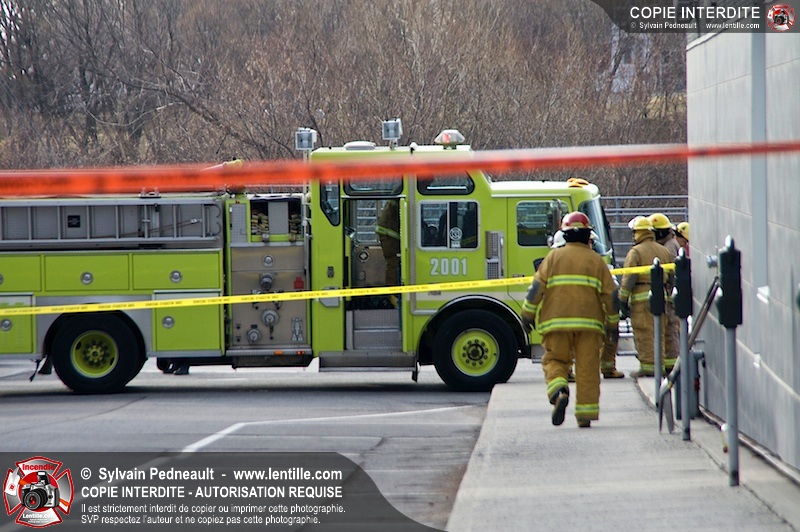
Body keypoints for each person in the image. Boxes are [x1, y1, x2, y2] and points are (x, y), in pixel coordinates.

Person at [520, 212, 619, 428]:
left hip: (556, 323)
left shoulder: (553, 258)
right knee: (587, 369)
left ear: (564, 235)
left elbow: (536, 289)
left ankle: (559, 391)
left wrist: (527, 315)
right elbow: (611, 296)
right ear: (587, 235)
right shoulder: (596, 261)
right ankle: (585, 415)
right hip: (589, 325)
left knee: (555, 360)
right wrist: (612, 324)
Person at [620, 216, 673, 378]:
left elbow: (629, 278)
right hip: (661, 297)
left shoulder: (636, 252)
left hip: (641, 300)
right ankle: (660, 365)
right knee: (659, 332)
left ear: (639, 233)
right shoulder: (664, 250)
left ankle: (649, 367)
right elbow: (672, 276)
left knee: (644, 333)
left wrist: (622, 300)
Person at [649, 213, 680, 372]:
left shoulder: (669, 247)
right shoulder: (669, 244)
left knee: (670, 330)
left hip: (670, 293)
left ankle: (672, 365)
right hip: (670, 293)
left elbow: (671, 271)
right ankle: (670, 364)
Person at [376, 199, 400, 286]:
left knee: (393, 262)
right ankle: (392, 289)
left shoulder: (393, 202)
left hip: (387, 233)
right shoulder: (396, 203)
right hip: (388, 234)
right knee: (393, 262)